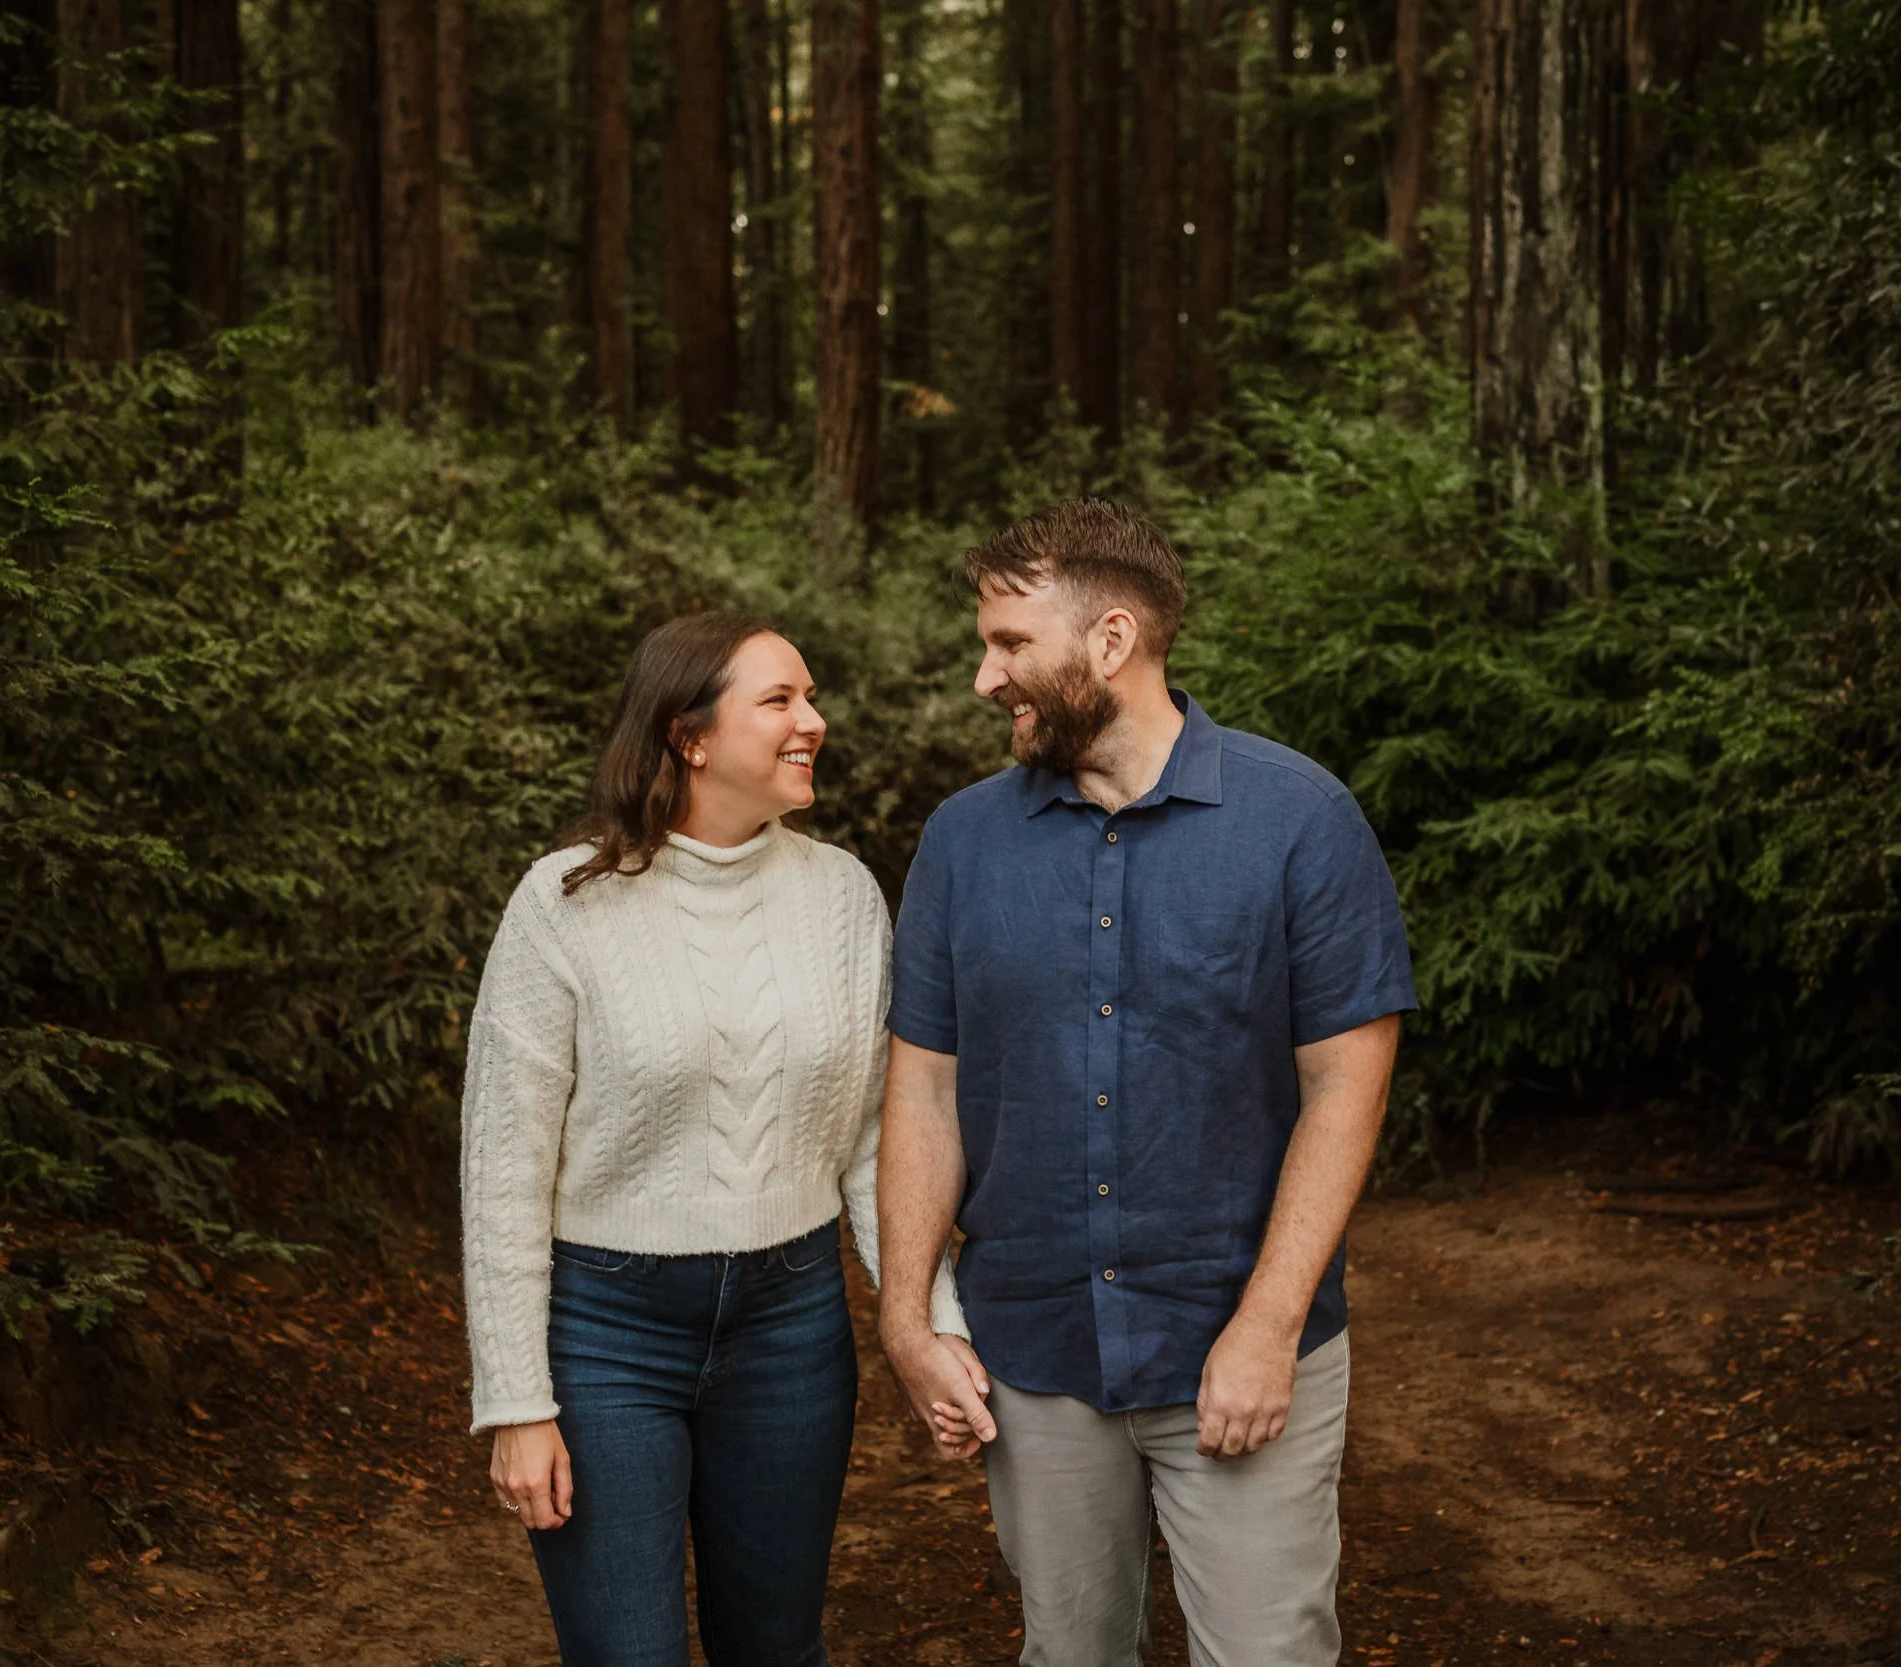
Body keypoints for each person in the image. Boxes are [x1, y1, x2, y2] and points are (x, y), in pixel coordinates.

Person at [875, 500, 1417, 1667]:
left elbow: (1344, 1088)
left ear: (1110, 641)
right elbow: (921, 1093)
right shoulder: (962, 843)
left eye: (1010, 643)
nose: (985, 676)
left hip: (1235, 1338)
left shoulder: (1301, 821)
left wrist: (1268, 1324)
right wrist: (906, 1315)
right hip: (1037, 1353)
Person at [459, 611, 965, 1667]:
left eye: (810, 696)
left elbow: (877, 1137)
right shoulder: (561, 904)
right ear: (689, 734)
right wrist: (515, 1400)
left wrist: (929, 1317)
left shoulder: (843, 896)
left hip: (792, 1324)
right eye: (779, 699)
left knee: (776, 1647)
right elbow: (504, 1166)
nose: (812, 721)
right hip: (606, 1333)